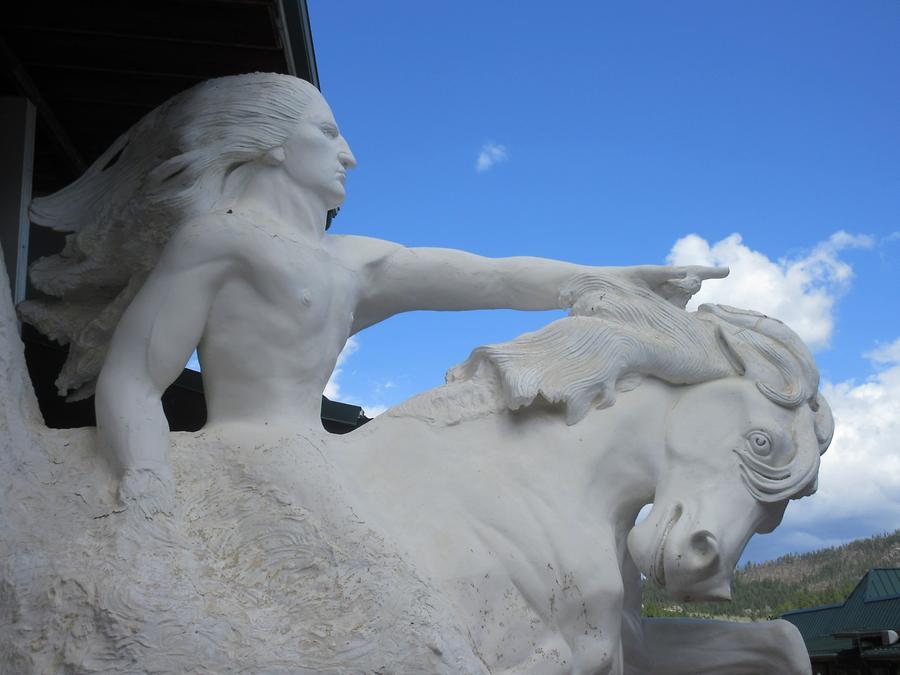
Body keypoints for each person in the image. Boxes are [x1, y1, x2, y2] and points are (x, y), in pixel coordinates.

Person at [19, 73, 725, 515]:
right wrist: (146, 481)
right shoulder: (217, 240)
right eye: (327, 133)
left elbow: (494, 274)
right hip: (246, 468)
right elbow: (136, 379)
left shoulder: (351, 262)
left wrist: (621, 280)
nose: (350, 154)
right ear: (270, 145)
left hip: (324, 462)